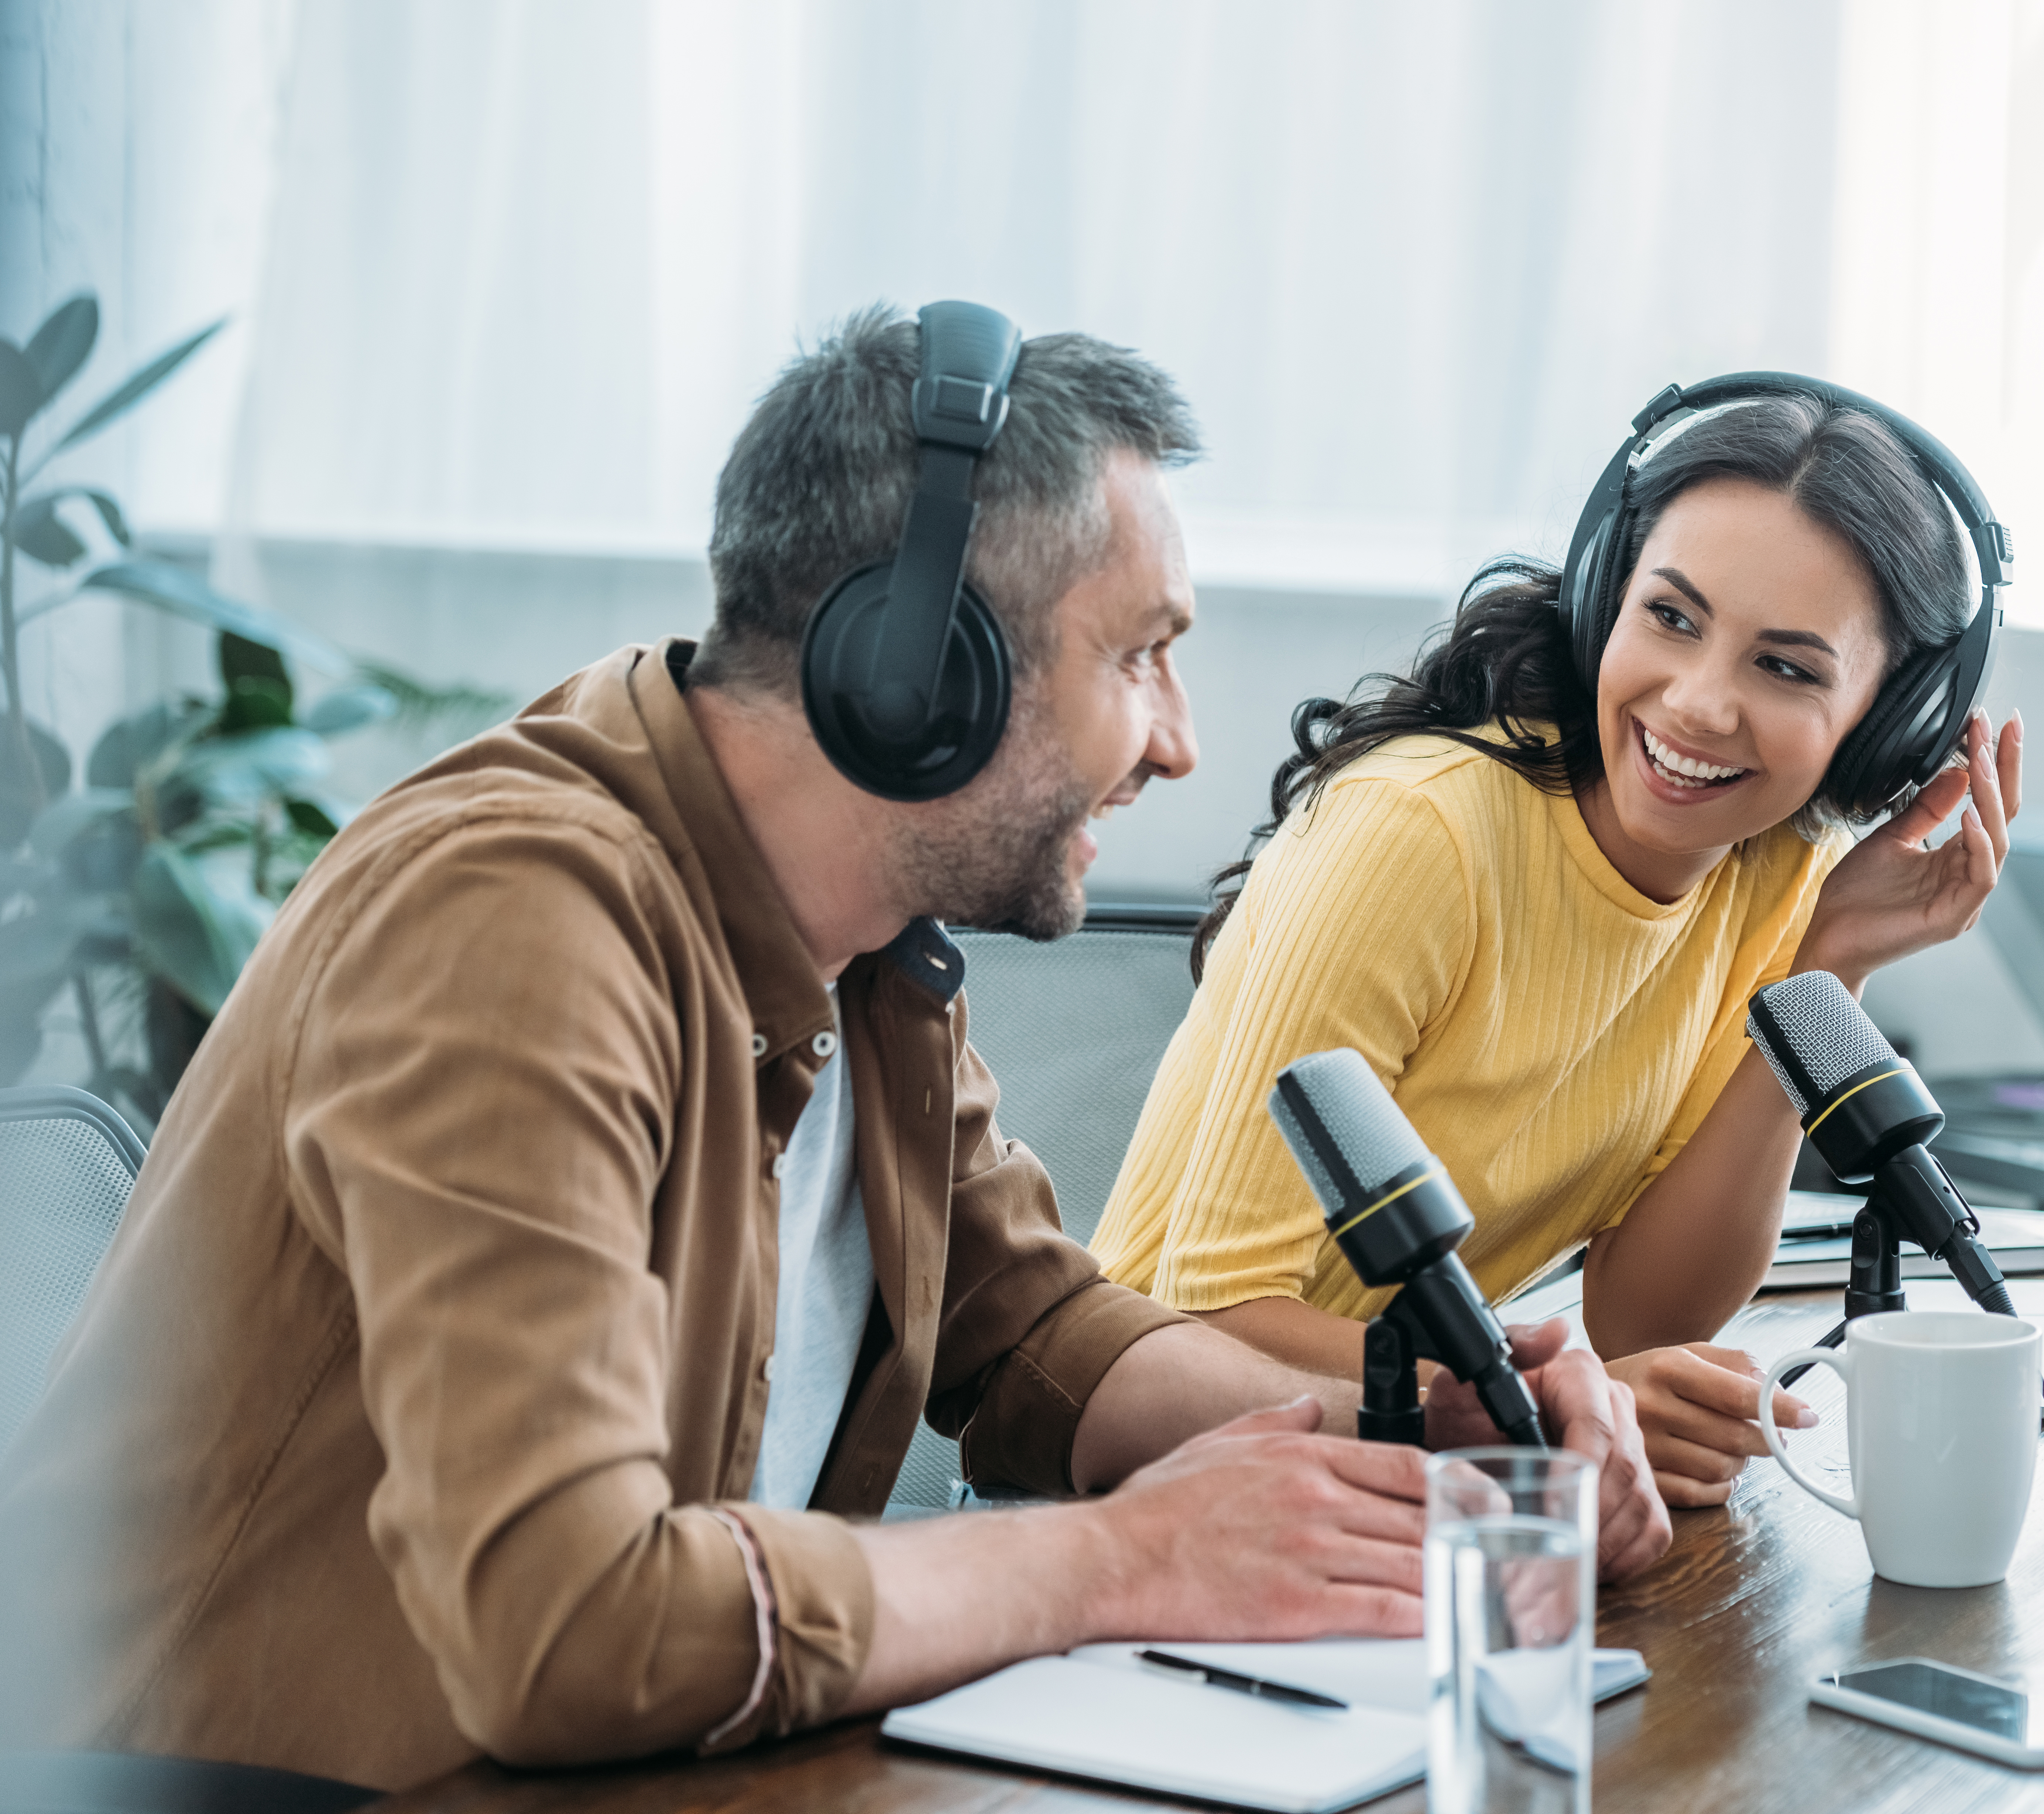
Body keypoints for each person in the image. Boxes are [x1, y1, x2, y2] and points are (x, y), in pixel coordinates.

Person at [0, 308, 1667, 1794]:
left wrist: (1406, 1436)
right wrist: (1123, 1559)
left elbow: (1034, 1337)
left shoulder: (862, 952)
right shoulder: (511, 924)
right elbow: (564, 1621)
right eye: (1140, 653)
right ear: (914, 677)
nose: (1178, 740)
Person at [1092, 389, 2027, 1507]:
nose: (1697, 704)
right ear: (1605, 596)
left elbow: (1645, 1318)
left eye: (1786, 668)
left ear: (1888, 721)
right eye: (1672, 618)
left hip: (1433, 1485)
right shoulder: (1423, 835)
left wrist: (1822, 975)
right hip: (1172, 1477)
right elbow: (1211, 1312)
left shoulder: (1770, 873)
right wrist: (1553, 1405)